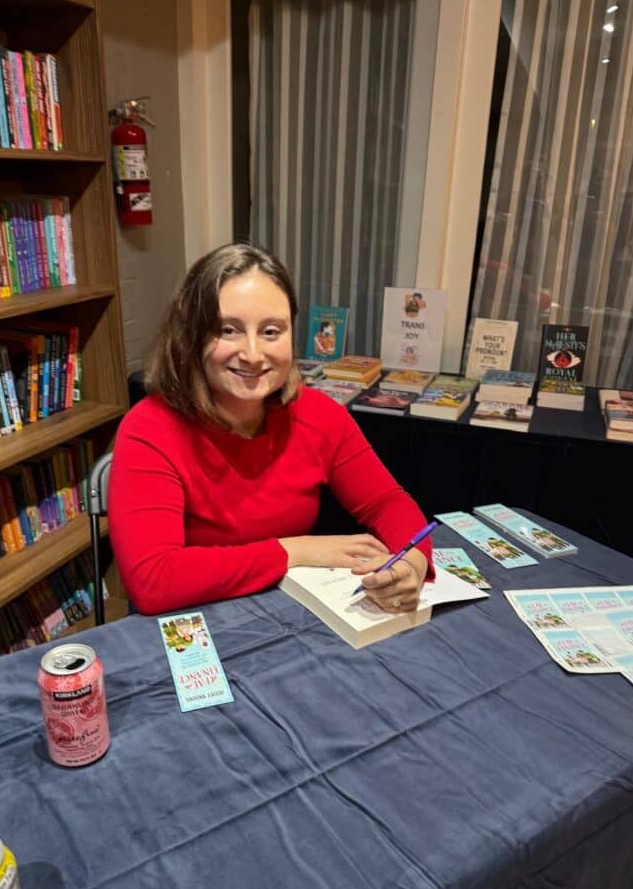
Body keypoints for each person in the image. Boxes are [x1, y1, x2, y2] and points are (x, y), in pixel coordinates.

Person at [108, 242, 434, 616]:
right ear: (191, 335)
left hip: (286, 610)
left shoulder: (319, 415)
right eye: (228, 330)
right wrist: (294, 551)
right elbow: (153, 580)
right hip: (192, 619)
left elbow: (387, 502)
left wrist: (412, 564)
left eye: (271, 331)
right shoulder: (149, 429)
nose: (252, 354)